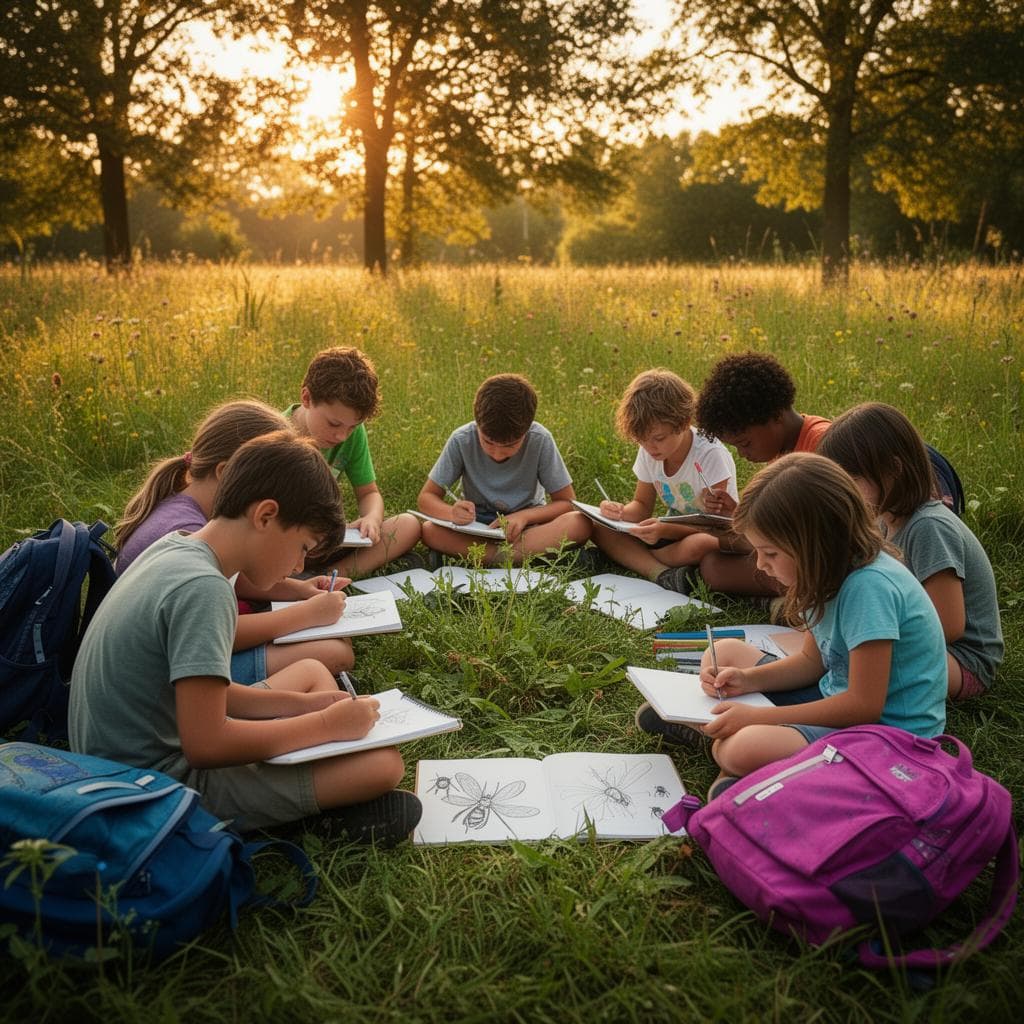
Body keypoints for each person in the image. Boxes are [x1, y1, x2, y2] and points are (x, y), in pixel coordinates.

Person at [71, 431, 422, 841]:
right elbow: (206, 744)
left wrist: (303, 706)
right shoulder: (204, 589)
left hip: (121, 756)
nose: (298, 565)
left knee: (311, 672)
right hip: (148, 789)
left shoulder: (178, 547)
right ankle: (292, 824)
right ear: (266, 516)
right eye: (303, 547)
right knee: (383, 766)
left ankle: (304, 790)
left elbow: (208, 692)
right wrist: (324, 724)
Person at [638, 453, 947, 801]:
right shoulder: (826, 573)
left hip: (890, 736)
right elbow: (811, 664)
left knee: (738, 750)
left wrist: (757, 718)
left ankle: (733, 752)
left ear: (813, 545)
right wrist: (747, 681)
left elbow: (864, 706)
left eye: (770, 554)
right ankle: (734, 747)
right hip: (836, 696)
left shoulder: (868, 588)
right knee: (722, 653)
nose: (760, 565)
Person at [115, 399, 354, 682]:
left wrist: (300, 590)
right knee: (334, 653)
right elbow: (217, 636)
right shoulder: (188, 535)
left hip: (175, 665)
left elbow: (237, 580)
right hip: (169, 675)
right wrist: (304, 615)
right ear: (230, 473)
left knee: (334, 648)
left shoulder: (198, 525)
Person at [818, 402, 1002, 700]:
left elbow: (948, 626)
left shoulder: (929, 527)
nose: (844, 493)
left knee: (861, 668)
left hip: (961, 659)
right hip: (919, 641)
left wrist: (873, 638)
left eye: (851, 481)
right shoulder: (882, 518)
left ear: (893, 469)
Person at [693, 352, 831, 597]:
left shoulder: (822, 445)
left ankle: (794, 600)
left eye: (745, 443)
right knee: (713, 565)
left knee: (719, 563)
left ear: (776, 416)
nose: (743, 454)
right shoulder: (780, 454)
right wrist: (735, 513)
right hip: (790, 552)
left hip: (818, 557)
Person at [416, 373, 591, 565]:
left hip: (527, 529)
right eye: (488, 442)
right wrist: (452, 513)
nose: (497, 454)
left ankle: (490, 557)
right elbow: (426, 498)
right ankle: (518, 557)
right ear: (477, 425)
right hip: (477, 528)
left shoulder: (540, 439)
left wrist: (524, 516)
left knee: (579, 522)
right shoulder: (462, 439)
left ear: (527, 430)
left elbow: (567, 502)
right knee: (429, 530)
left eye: (510, 445)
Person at [591, 368, 737, 591]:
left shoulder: (709, 454)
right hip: (664, 534)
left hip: (701, 534)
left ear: (683, 422)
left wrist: (664, 530)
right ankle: (662, 572)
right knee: (598, 525)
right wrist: (616, 512)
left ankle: (634, 558)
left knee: (702, 544)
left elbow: (713, 525)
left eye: (658, 438)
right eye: (642, 440)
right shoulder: (650, 451)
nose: (650, 447)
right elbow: (640, 507)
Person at [286, 346, 422, 575]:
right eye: (334, 424)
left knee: (408, 525)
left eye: (352, 427)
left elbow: (369, 493)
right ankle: (303, 579)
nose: (341, 436)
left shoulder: (351, 435)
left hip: (327, 544)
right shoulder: (276, 435)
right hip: (284, 543)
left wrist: (371, 518)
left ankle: (331, 576)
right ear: (307, 398)